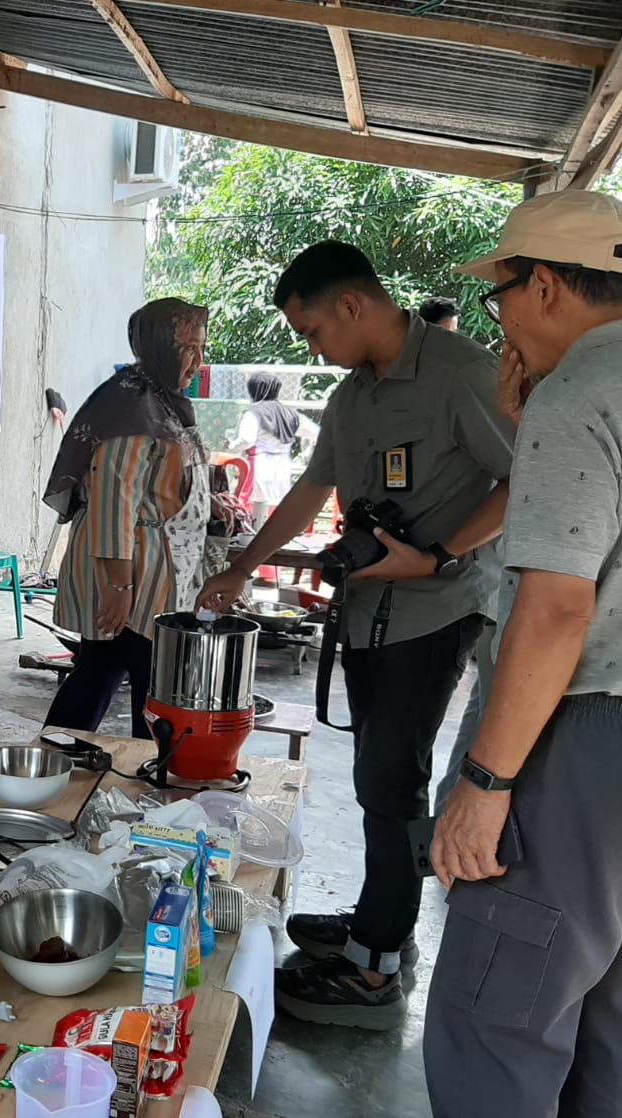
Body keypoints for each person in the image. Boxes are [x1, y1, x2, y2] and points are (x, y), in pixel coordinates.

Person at [425, 190, 622, 1118]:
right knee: (618, 1010)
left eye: (502, 296)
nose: (500, 322)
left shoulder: (583, 396)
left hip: (593, 750)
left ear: (544, 285)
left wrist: (483, 781)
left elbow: (556, 611)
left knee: (500, 1020)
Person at [198, 242, 513, 1029]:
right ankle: (383, 924)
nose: (312, 349)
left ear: (350, 304)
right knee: (377, 776)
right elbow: (313, 487)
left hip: (436, 608)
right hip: (372, 611)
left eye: (312, 331)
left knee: (391, 779)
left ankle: (374, 971)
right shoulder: (351, 398)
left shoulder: (460, 373)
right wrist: (242, 566)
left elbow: (525, 478)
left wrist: (438, 555)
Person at [42, 298, 218, 740]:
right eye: (188, 348)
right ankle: (144, 766)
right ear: (160, 347)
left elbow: (172, 478)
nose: (198, 360)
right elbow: (112, 502)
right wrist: (119, 588)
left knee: (104, 668)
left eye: (202, 347)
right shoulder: (131, 408)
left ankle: (55, 758)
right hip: (129, 568)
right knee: (146, 679)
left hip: (153, 566)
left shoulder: (163, 401)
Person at [227, 370, 319, 529]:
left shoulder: (253, 412)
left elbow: (246, 440)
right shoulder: (291, 414)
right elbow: (318, 434)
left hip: (258, 465)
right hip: (282, 466)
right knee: (277, 509)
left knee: (251, 512)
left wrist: (230, 448)